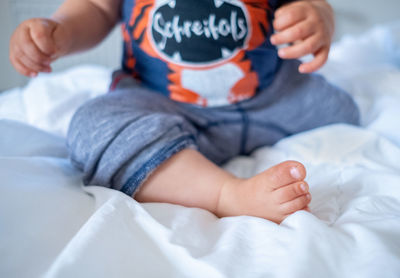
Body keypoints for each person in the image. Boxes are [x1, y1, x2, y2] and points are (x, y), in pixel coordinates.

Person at [9, 0, 359, 223]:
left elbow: (311, 5)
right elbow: (96, 8)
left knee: (345, 110)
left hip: (274, 99)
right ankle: (226, 194)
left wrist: (317, 19)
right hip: (164, 106)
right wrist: (61, 32)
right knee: (94, 127)